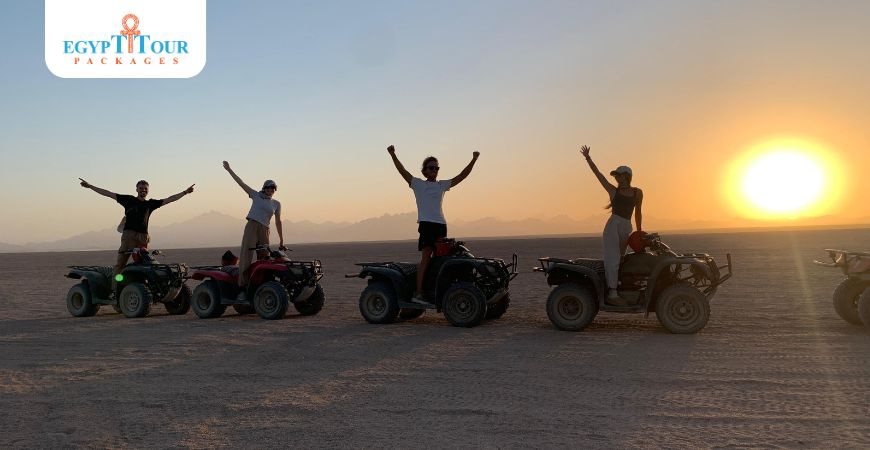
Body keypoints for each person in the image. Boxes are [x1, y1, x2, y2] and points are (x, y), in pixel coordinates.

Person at [387, 144, 480, 305]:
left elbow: (461, 176)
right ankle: (419, 293)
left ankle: (436, 291)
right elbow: (402, 171)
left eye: (437, 168)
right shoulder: (418, 184)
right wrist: (393, 154)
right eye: (431, 168)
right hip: (427, 226)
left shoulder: (441, 185)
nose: (434, 170)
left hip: (440, 225)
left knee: (440, 260)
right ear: (424, 171)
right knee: (426, 258)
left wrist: (474, 159)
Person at [78, 178, 195, 283]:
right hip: (129, 236)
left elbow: (170, 199)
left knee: (145, 263)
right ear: (136, 189)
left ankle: (141, 286)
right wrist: (90, 186)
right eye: (141, 188)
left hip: (143, 237)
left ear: (148, 190)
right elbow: (108, 193)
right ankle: (115, 289)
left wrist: (185, 192)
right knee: (120, 264)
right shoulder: (128, 200)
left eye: (145, 188)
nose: (143, 190)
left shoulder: (150, 204)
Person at [579, 145, 644, 306]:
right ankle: (612, 294)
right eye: (616, 176)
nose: (617, 178)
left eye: (620, 175)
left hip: (626, 226)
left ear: (627, 176)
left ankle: (618, 287)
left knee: (621, 259)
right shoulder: (613, 191)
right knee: (613, 259)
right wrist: (588, 158)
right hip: (613, 226)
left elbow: (638, 212)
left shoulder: (638, 192)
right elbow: (598, 175)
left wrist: (639, 232)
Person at [222, 161, 284, 300]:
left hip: (265, 229)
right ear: (264, 188)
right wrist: (229, 170)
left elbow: (278, 222)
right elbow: (241, 183)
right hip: (252, 226)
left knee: (264, 257)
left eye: (273, 188)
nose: (271, 190)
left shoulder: (276, 204)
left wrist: (281, 240)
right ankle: (242, 287)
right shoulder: (255, 195)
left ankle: (260, 285)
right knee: (246, 254)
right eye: (268, 187)